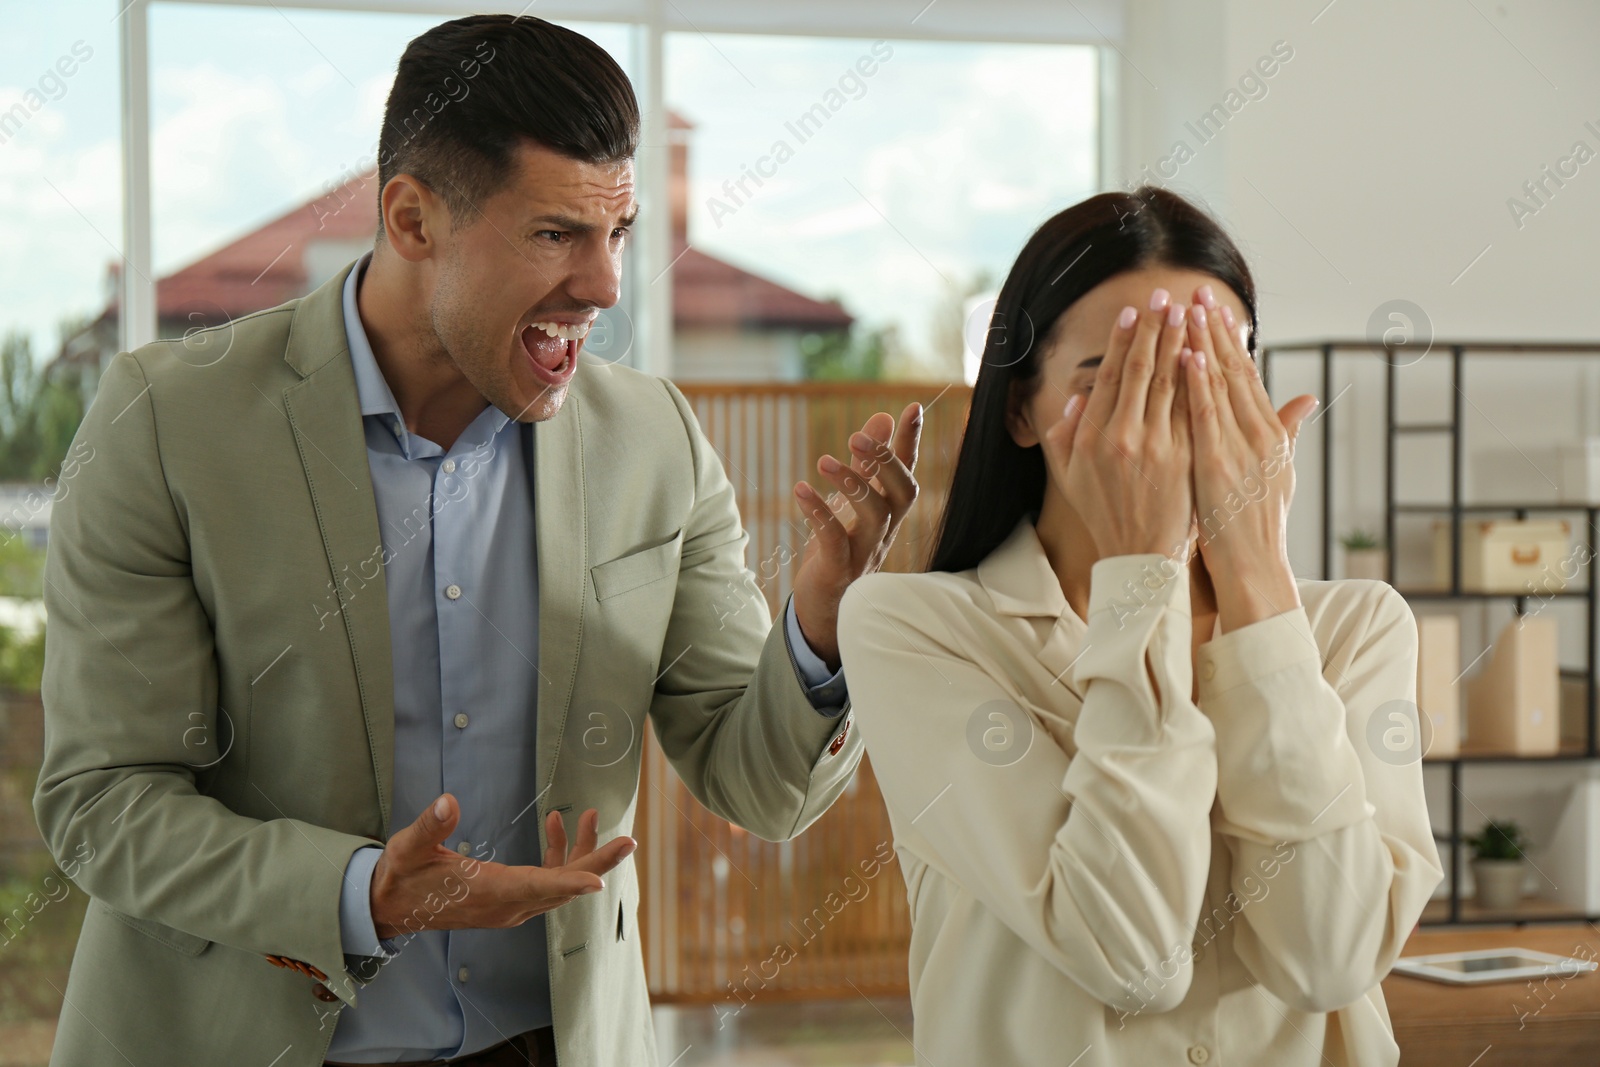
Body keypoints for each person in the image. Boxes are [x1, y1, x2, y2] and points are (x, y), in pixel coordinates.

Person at [34, 15, 920, 1067]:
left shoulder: (655, 442)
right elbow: (103, 802)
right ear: (411, 218)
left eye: (620, 232)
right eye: (556, 234)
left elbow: (760, 782)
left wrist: (818, 622)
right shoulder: (167, 424)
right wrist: (362, 892)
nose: (604, 284)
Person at [837, 186, 1442, 1066]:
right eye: (1115, 383)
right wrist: (1141, 582)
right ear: (1018, 408)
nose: (1168, 420)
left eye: (1207, 375)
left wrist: (1258, 582)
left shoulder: (1356, 628)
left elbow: (1330, 958)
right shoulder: (913, 628)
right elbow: (1133, 957)